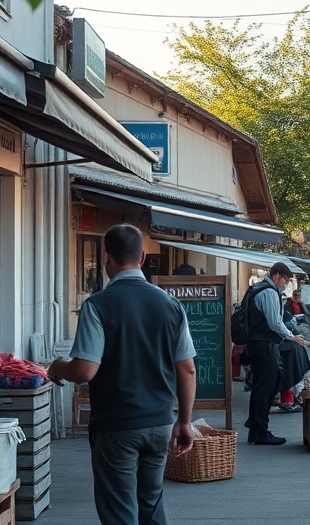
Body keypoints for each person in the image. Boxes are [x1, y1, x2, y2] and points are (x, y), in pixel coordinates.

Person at [46, 224, 196, 525]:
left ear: (106, 258)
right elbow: (188, 368)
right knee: (151, 505)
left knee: (119, 512)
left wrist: (57, 366)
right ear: (141, 257)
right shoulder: (171, 306)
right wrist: (184, 422)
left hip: (116, 427)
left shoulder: (97, 305)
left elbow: (85, 369)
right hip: (160, 424)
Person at [244, 263, 306, 445]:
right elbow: (275, 323)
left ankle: (255, 430)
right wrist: (292, 337)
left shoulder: (258, 289)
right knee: (266, 388)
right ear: (277, 275)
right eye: (285, 280)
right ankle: (261, 431)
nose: (286, 284)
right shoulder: (269, 292)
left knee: (260, 388)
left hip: (258, 344)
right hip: (264, 345)